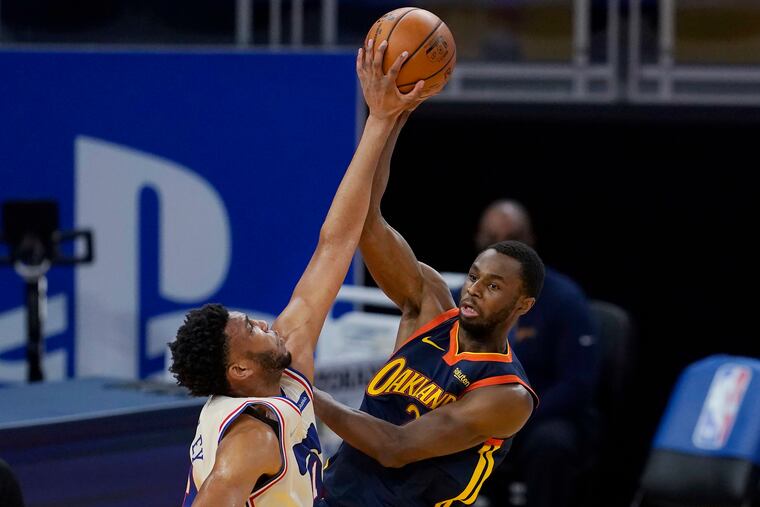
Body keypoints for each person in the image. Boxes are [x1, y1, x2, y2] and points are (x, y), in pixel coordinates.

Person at [168, 39, 425, 507]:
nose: (263, 322)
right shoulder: (253, 434)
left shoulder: (285, 372)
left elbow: (336, 245)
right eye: (250, 328)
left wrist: (382, 120)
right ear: (240, 368)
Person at [314, 98, 544, 507]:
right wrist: (389, 117)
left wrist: (305, 393)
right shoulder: (431, 305)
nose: (474, 288)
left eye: (493, 287)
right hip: (333, 495)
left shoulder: (507, 394)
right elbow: (366, 221)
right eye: (474, 276)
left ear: (523, 305)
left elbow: (395, 447)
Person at [475, 199, 599, 507]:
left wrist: (518, 416)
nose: (501, 248)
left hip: (542, 415)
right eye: (491, 239)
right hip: (482, 412)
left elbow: (578, 384)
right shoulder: (464, 299)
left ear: (529, 242)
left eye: (511, 238)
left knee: (551, 444)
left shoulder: (563, 299)